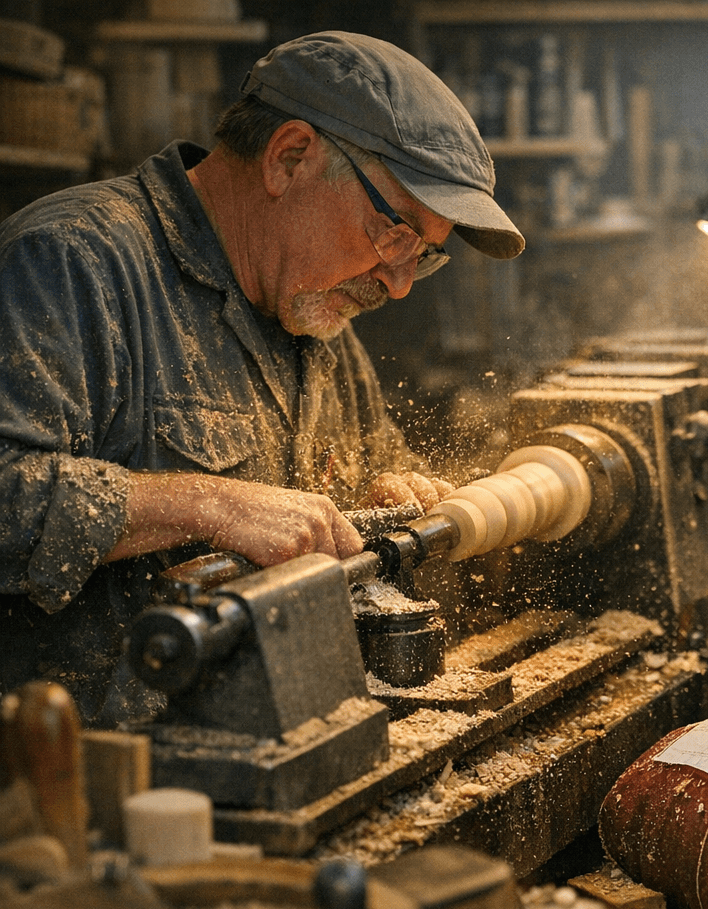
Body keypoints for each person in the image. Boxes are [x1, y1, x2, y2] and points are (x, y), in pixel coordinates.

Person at [0, 31, 525, 725]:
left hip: (272, 757)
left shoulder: (314, 309)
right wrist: (207, 503)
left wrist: (399, 492)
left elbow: (377, 470)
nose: (399, 286)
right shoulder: (69, 264)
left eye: (423, 257)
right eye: (395, 233)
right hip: (92, 788)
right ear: (290, 158)